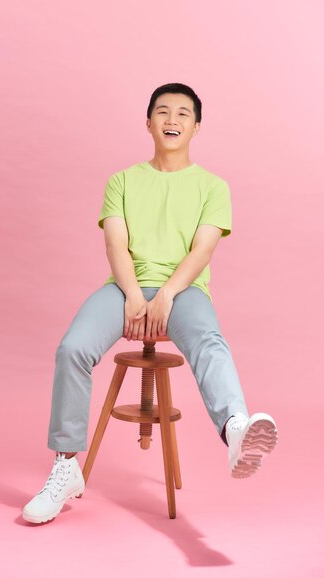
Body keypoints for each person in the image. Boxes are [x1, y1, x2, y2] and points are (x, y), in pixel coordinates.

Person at [22, 82, 278, 524]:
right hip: (124, 288)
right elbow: (116, 246)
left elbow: (202, 252)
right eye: (162, 112)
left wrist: (166, 296)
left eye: (183, 113)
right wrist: (135, 298)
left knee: (209, 341)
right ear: (148, 123)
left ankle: (235, 428)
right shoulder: (122, 180)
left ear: (197, 126)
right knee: (72, 349)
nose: (172, 120)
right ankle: (66, 467)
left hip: (183, 291)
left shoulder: (213, 187)